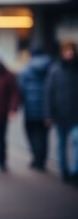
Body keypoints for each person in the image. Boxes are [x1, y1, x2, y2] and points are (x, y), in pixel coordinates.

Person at [45, 40, 78, 184]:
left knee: (76, 141)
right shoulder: (55, 70)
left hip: (76, 114)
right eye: (66, 51)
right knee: (61, 143)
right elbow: (49, 93)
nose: (69, 54)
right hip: (60, 113)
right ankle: (63, 171)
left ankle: (75, 172)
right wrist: (48, 114)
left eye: (71, 51)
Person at [18, 47, 51, 171]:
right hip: (46, 109)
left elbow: (21, 88)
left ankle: (36, 159)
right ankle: (42, 161)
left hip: (30, 109)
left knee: (32, 134)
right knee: (43, 136)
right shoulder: (50, 68)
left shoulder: (27, 70)